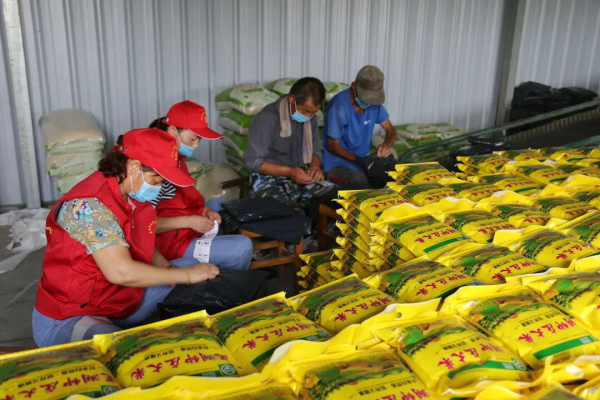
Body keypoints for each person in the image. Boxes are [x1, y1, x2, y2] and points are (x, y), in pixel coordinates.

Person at [32, 128, 220, 347]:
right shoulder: (88, 207)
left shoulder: (130, 193)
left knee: (186, 267)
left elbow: (141, 239)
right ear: (133, 167)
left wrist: (170, 270)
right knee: (125, 348)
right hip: (69, 315)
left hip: (114, 302)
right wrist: (186, 276)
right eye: (156, 180)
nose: (159, 188)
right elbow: (120, 272)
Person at [148, 101, 253, 270]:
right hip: (169, 243)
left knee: (218, 205)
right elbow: (144, 224)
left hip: (180, 230)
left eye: (199, 140)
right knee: (242, 247)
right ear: (173, 131)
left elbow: (181, 200)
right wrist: (189, 221)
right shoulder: (156, 169)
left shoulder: (175, 159)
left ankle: (216, 259)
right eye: (193, 139)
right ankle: (226, 279)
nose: (196, 145)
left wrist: (203, 210)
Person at [244, 77, 335, 208]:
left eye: (313, 113)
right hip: (269, 179)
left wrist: (315, 166)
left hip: (300, 174)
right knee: (288, 212)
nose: (308, 117)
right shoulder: (267, 118)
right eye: (305, 111)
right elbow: (253, 161)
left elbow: (316, 150)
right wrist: (289, 171)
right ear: (292, 100)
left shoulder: (311, 118)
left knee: (337, 199)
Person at [322, 65, 398, 188]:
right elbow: (332, 146)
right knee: (361, 184)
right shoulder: (339, 107)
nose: (368, 103)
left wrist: (386, 145)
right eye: (365, 98)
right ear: (354, 86)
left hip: (362, 163)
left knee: (393, 177)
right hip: (337, 165)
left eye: (371, 100)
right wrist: (359, 160)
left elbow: (391, 130)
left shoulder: (374, 104)